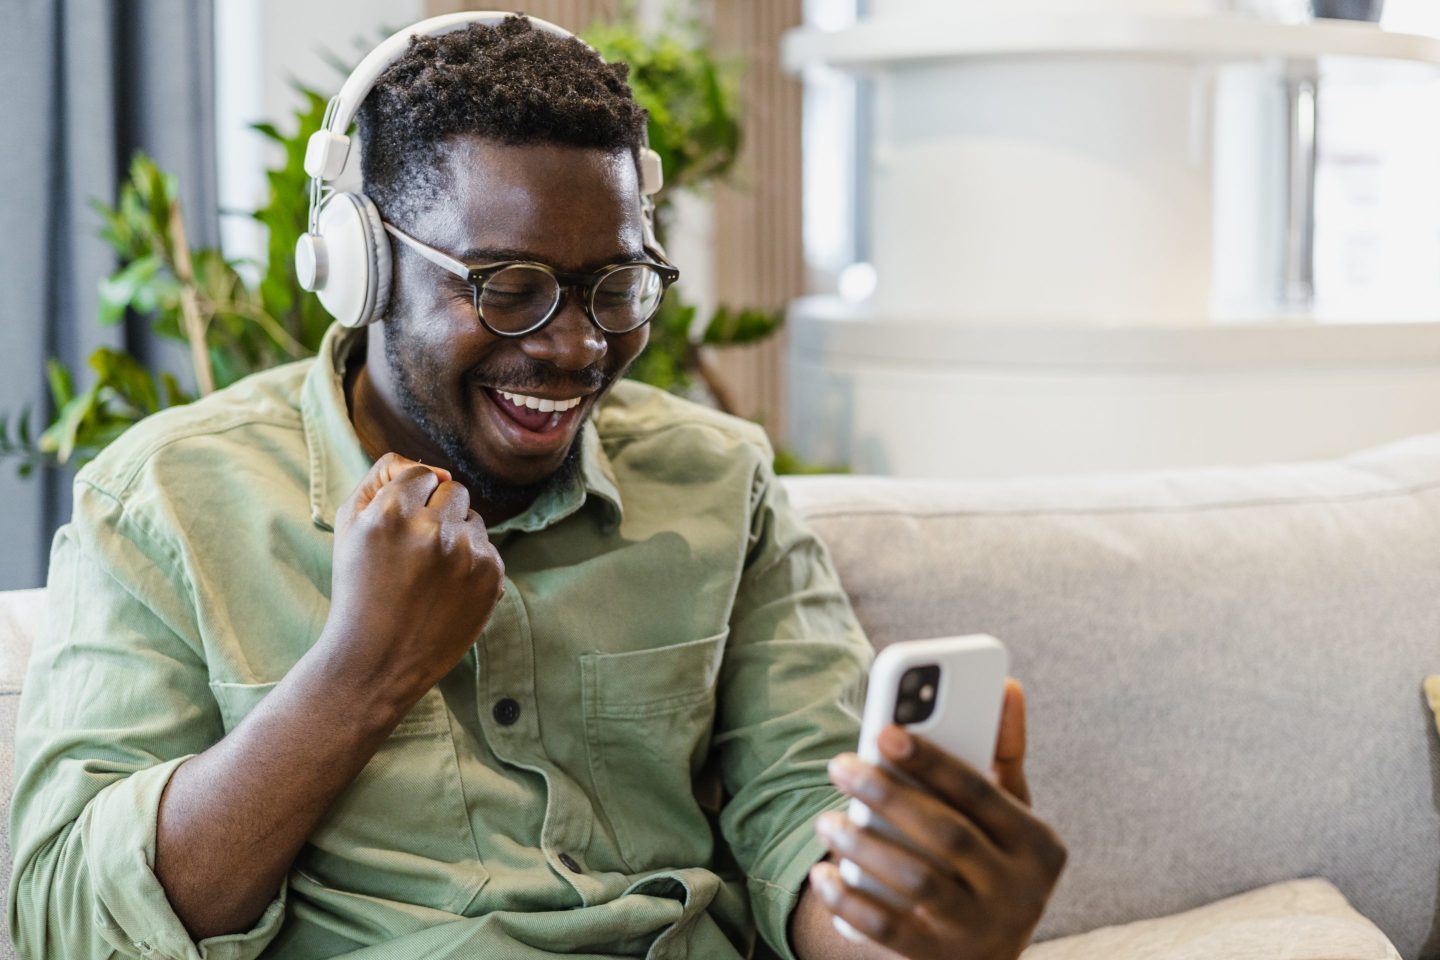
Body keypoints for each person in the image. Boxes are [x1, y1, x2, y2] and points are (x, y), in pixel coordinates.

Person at [7, 15, 1065, 960]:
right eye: (508, 290)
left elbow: (804, 818)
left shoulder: (717, 481)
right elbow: (63, 918)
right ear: (361, 265)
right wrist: (361, 671)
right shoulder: (165, 501)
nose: (575, 347)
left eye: (616, 286)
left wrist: (913, 923)